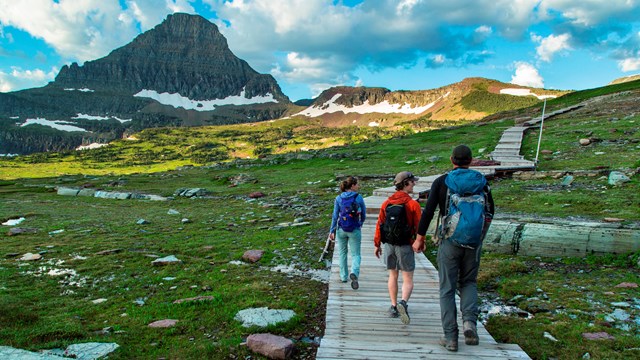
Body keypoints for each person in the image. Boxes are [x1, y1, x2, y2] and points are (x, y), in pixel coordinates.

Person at [413, 145, 494, 352]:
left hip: (449, 240)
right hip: (474, 242)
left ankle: (451, 338)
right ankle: (469, 323)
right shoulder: (481, 182)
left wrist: (419, 238)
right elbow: (490, 211)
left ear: (452, 160)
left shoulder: (442, 182)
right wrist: (478, 235)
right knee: (468, 282)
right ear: (471, 160)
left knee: (447, 289)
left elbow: (428, 212)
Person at [373, 171, 422, 324]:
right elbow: (419, 226)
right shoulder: (413, 204)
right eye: (412, 182)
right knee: (407, 278)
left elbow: (379, 224)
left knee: (392, 276)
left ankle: (394, 307)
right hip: (405, 245)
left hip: (389, 245)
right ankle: (403, 303)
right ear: (405, 183)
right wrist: (420, 242)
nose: (414, 184)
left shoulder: (386, 203)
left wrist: (377, 244)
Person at [329, 176, 367, 290]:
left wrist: (332, 230)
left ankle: (343, 276)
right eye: (357, 184)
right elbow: (363, 213)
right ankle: (354, 272)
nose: (358, 186)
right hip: (354, 229)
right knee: (356, 254)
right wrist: (360, 223)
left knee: (342, 253)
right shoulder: (358, 197)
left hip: (341, 229)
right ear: (352, 186)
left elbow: (335, 216)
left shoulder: (339, 198)